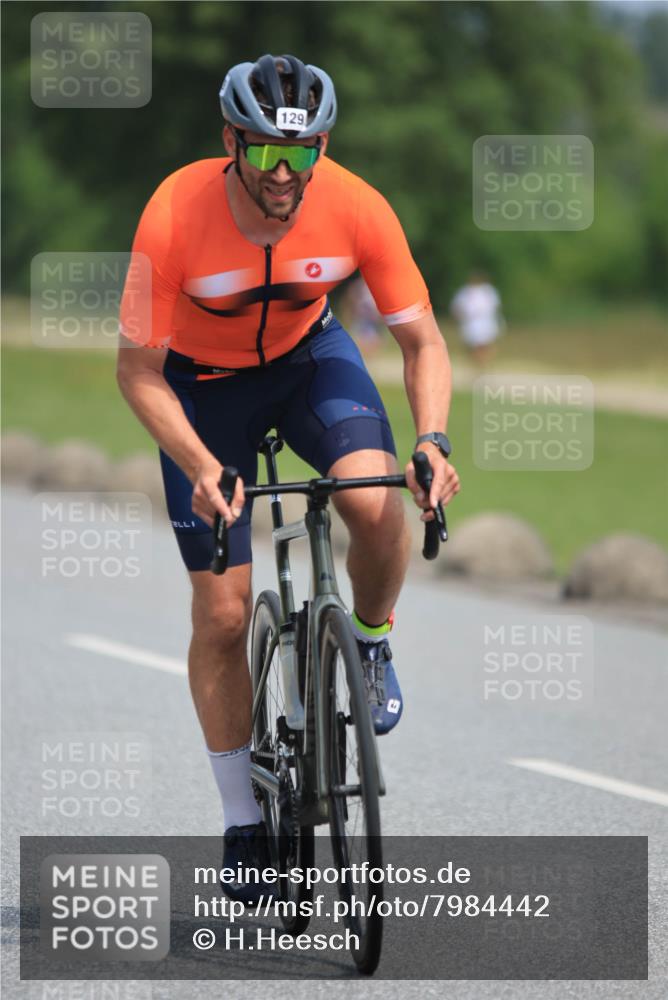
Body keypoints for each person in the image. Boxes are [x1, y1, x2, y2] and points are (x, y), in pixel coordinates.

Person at [117, 53, 459, 901]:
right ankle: (241, 818)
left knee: (376, 503)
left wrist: (434, 439)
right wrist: (199, 465)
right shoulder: (172, 213)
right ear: (230, 141)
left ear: (323, 149)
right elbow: (136, 370)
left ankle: (371, 642)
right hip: (201, 389)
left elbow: (422, 341)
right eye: (266, 150)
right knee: (225, 614)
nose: (283, 172)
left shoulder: (355, 206)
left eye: (301, 154)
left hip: (310, 361)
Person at [450, 271, 503, 367]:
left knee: (484, 344)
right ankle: (477, 363)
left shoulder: (488, 291)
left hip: (485, 322)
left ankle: (483, 363)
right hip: (470, 323)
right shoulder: (465, 292)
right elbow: (457, 307)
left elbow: (494, 306)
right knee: (472, 346)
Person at [343, 275, 385, 356]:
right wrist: (349, 313)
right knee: (359, 339)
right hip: (361, 318)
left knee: (375, 340)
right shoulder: (358, 285)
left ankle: (369, 357)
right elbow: (350, 300)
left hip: (373, 319)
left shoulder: (378, 285)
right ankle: (362, 356)